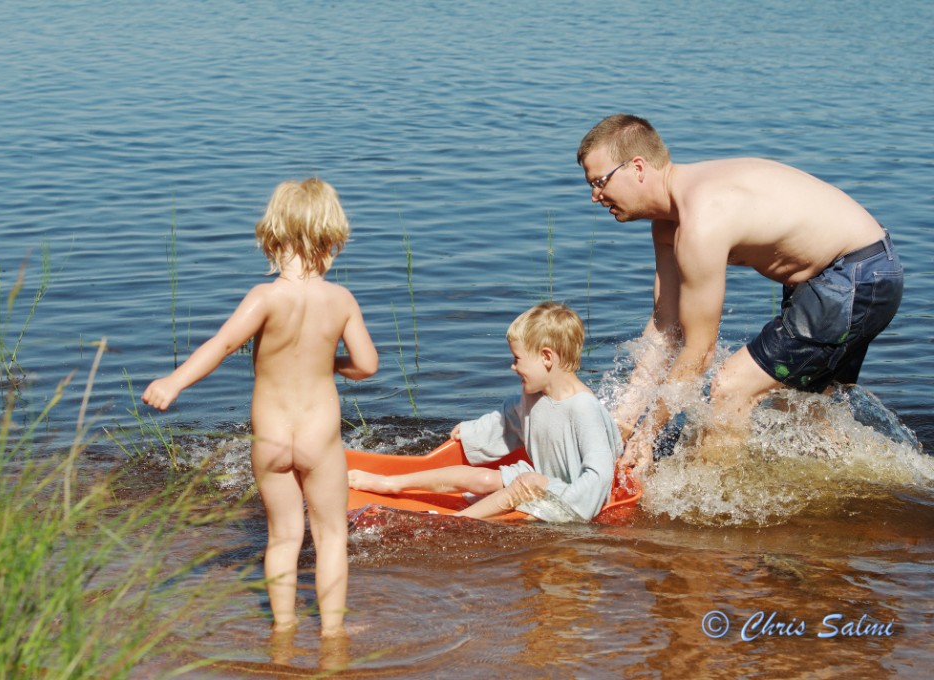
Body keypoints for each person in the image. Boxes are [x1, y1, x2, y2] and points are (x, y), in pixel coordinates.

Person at [576, 114, 903, 471]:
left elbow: (699, 352)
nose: (595, 196)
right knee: (801, 410)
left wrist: (648, 435)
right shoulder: (669, 226)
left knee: (731, 388)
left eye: (600, 181)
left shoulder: (701, 218)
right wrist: (622, 424)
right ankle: (870, 483)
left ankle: (711, 505)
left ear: (637, 167)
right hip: (838, 276)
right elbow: (665, 328)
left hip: (857, 275)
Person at [142, 178, 378, 637]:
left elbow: (222, 343)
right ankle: (332, 633)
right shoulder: (340, 301)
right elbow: (368, 365)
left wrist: (173, 382)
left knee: (284, 537)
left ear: (273, 236)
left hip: (270, 439)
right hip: (319, 438)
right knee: (330, 537)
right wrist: (332, 363)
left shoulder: (265, 297)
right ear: (332, 239)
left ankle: (283, 629)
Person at [349, 301, 623, 522]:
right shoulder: (534, 396)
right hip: (540, 483)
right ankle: (391, 483)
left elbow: (598, 477)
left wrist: (558, 499)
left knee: (522, 484)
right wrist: (470, 433)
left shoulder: (584, 408)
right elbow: (506, 423)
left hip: (572, 498)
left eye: (517, 359)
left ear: (547, 358)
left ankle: (458, 522)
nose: (513, 367)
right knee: (482, 477)